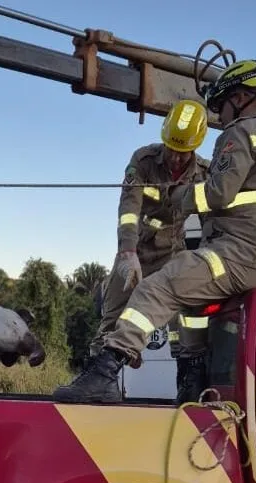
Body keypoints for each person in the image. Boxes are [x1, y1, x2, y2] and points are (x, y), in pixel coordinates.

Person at [54, 59, 256, 404]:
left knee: (156, 289)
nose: (220, 114)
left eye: (221, 105)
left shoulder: (238, 134)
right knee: (190, 311)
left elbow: (218, 194)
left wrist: (181, 196)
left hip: (236, 252)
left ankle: (104, 374)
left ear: (239, 97)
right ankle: (192, 385)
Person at [89, 99, 212, 403]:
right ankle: (96, 381)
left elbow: (213, 217)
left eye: (183, 151)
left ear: (194, 147)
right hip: (137, 251)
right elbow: (128, 208)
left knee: (186, 319)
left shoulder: (206, 174)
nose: (175, 156)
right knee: (113, 313)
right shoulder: (143, 160)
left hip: (174, 252)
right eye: (171, 147)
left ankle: (189, 379)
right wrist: (127, 252)